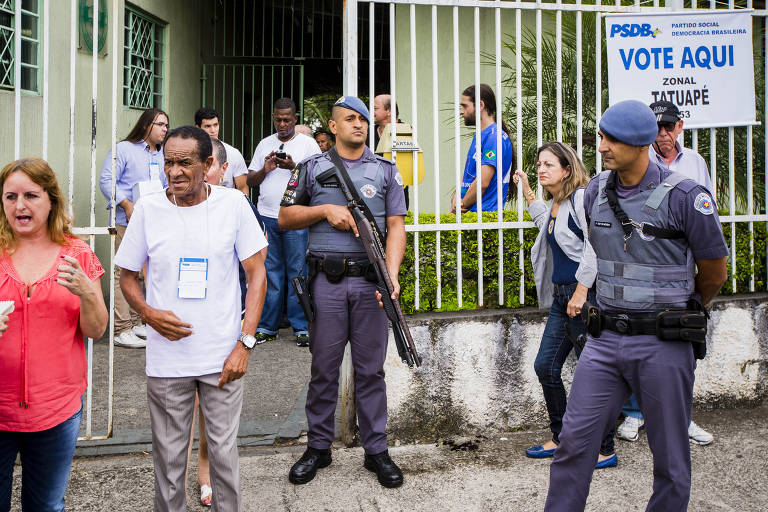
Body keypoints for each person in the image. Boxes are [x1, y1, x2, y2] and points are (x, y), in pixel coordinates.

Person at [544, 100, 728, 511]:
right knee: (573, 444)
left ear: (642, 143)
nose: (602, 146)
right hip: (604, 341)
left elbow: (715, 271)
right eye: (602, 136)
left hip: (663, 343)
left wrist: (682, 310)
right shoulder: (595, 192)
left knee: (670, 458)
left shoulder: (686, 197)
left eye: (613, 139)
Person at [116, 126, 268, 511]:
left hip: (222, 359)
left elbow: (257, 276)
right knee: (169, 467)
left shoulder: (233, 205)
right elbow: (127, 277)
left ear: (208, 164)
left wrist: (245, 344)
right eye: (168, 162)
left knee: (224, 462)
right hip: (167, 361)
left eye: (184, 163)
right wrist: (148, 313)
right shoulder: (149, 209)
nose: (174, 171)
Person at [278, 96, 408, 488]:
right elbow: (285, 217)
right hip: (326, 284)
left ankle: (376, 449)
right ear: (333, 127)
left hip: (370, 284)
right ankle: (318, 447)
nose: (359, 124)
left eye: (363, 119)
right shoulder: (311, 168)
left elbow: (397, 226)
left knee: (371, 371)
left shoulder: (385, 170)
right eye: (350, 119)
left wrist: (391, 275)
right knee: (324, 368)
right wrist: (323, 211)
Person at [0, 158, 108, 511]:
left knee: (45, 505)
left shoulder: (77, 255)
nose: (20, 205)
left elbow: (96, 329)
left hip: (55, 411)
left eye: (31, 195)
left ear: (51, 199)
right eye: (11, 196)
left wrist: (87, 293)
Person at [617, 100, 716, 446]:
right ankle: (635, 413)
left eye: (669, 126)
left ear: (680, 127)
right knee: (636, 338)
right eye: (657, 127)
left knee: (682, 344)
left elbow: (707, 215)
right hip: (642, 267)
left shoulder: (695, 163)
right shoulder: (639, 163)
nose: (663, 134)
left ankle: (682, 417)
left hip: (681, 271)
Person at [514, 142, 617, 469]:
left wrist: (581, 291)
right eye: (538, 164)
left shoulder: (582, 198)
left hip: (581, 297)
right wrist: (528, 191)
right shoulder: (558, 202)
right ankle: (561, 437)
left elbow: (595, 245)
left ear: (567, 169)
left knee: (595, 374)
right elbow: (546, 224)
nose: (541, 169)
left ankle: (605, 448)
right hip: (562, 298)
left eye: (549, 164)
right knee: (545, 366)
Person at [246, 98, 321, 346]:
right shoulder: (264, 144)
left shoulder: (308, 145)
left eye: (287, 120)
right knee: (271, 274)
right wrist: (266, 168)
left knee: (297, 272)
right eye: (278, 119)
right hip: (267, 216)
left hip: (296, 217)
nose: (282, 124)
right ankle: (268, 326)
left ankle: (301, 327)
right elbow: (250, 181)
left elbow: (319, 178)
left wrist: (293, 167)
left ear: (295, 119)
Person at [99, 108, 168, 348]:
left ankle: (137, 322)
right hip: (126, 220)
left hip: (152, 220)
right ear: (146, 125)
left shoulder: (162, 154)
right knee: (124, 271)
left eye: (166, 125)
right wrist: (126, 204)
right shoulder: (124, 149)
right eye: (160, 124)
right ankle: (121, 329)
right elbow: (107, 180)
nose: (165, 129)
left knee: (140, 272)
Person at [451, 84, 514, 214]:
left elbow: (483, 183)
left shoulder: (494, 137)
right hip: (472, 214)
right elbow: (469, 173)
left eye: (465, 106)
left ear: (480, 105)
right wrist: (456, 196)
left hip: (483, 215)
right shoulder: (482, 135)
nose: (461, 111)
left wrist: (461, 205)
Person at [194, 107, 250, 195]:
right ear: (198, 128)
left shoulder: (233, 153)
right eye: (207, 126)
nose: (213, 130)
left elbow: (243, 188)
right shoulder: (190, 152)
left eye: (215, 125)